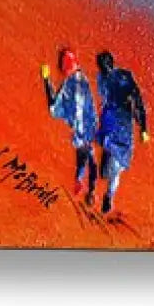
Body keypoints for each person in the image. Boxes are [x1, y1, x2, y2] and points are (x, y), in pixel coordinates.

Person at [41, 49, 98, 205]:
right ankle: (87, 188)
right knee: (88, 157)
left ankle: (84, 185)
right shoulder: (78, 80)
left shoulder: (75, 81)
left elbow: (80, 107)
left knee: (86, 157)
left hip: (83, 126)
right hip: (84, 125)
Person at [95, 50, 149, 214]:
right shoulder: (104, 78)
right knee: (108, 168)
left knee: (115, 166)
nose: (105, 69)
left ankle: (109, 195)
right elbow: (134, 101)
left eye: (105, 65)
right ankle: (109, 191)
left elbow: (137, 101)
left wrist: (143, 127)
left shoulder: (123, 77)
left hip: (121, 127)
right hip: (112, 124)